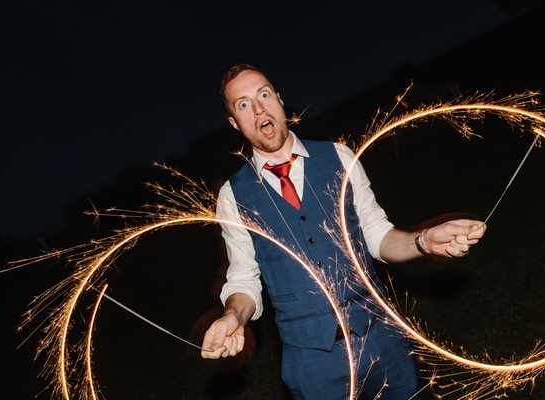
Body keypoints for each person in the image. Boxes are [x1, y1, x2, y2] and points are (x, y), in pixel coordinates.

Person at [200, 64, 486, 399]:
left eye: (264, 94)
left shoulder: (338, 156)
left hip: (384, 341)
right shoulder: (234, 196)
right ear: (234, 123)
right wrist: (233, 315)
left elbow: (378, 237)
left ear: (279, 99)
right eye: (244, 104)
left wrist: (422, 241)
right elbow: (244, 278)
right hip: (313, 367)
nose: (259, 108)